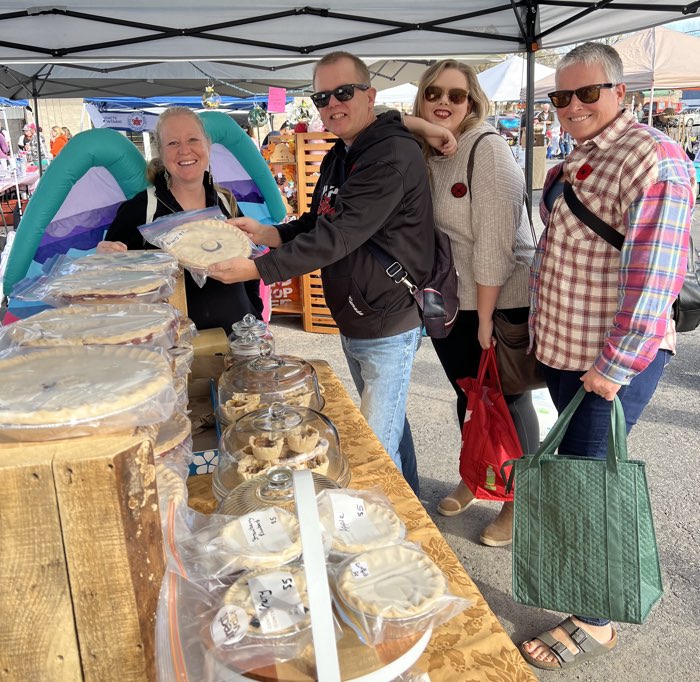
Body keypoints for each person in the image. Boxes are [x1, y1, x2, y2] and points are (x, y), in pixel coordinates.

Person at [523, 42, 695, 671]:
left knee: (589, 486)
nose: (572, 106)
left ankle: (595, 621)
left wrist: (614, 367)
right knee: (578, 478)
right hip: (569, 351)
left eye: (587, 93)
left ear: (620, 92)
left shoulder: (655, 157)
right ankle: (585, 595)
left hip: (608, 365)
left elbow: (656, 278)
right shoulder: (582, 157)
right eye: (561, 97)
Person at [207, 51, 436, 495]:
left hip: (388, 317)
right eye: (322, 96)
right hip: (357, 314)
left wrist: (256, 269)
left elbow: (339, 237)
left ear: (369, 96)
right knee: (387, 422)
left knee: (374, 447)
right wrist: (269, 233)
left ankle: (385, 529)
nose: (332, 103)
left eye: (344, 92)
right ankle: (412, 498)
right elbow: (321, 222)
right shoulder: (339, 153)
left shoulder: (389, 156)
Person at [402, 60, 540, 546]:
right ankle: (476, 474)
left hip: (499, 299)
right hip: (452, 297)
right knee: (469, 394)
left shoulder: (489, 148)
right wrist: (420, 126)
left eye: (455, 96)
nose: (443, 102)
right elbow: (373, 118)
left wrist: (483, 318)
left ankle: (520, 500)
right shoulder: (429, 151)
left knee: (508, 400)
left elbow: (495, 244)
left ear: (473, 102)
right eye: (432, 94)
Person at [97, 106, 262, 331]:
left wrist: (256, 315)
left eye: (193, 139)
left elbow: (249, 265)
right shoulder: (141, 208)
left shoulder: (225, 200)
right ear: (161, 154)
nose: (185, 151)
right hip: (174, 348)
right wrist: (106, 260)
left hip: (238, 338)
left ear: (207, 145)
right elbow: (117, 285)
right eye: (173, 143)